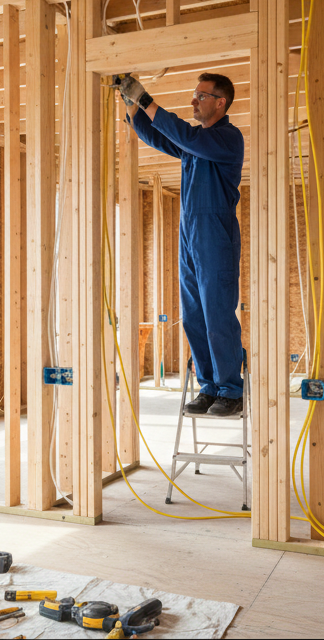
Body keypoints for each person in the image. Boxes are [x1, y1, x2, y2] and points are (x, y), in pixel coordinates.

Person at [119, 73, 245, 417]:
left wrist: (146, 100)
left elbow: (182, 133)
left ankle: (231, 390)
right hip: (190, 235)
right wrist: (132, 107)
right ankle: (208, 387)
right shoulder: (195, 144)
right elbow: (159, 136)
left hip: (215, 235)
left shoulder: (227, 138)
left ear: (220, 102)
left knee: (218, 314)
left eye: (200, 95)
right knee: (193, 316)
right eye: (194, 94)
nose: (193, 100)